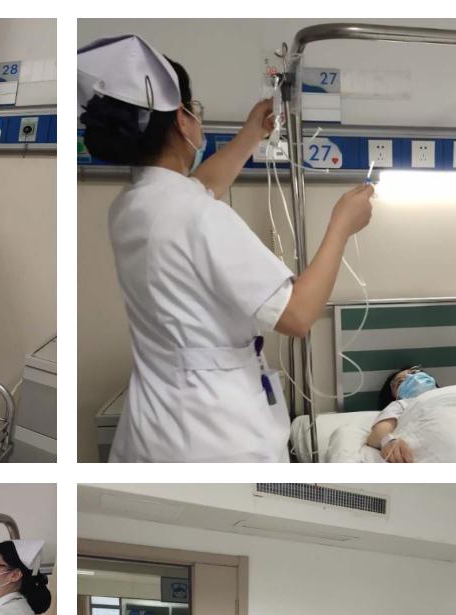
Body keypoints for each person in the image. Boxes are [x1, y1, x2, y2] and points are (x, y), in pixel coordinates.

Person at [78, 35, 374, 462]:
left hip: (155, 425)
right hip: (217, 435)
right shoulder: (199, 216)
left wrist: (251, 134)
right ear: (182, 120)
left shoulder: (131, 206)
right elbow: (298, 315)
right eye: (194, 108)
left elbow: (198, 188)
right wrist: (341, 224)